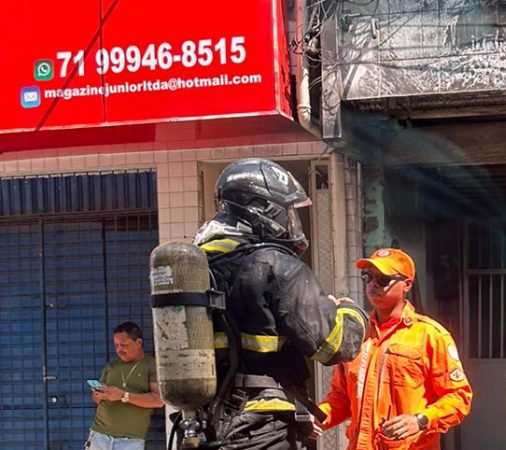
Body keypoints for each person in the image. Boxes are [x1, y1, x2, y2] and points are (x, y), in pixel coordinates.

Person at [192, 158, 368, 449]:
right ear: (263, 210)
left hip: (206, 427)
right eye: (286, 212)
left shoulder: (200, 266)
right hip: (262, 430)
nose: (290, 221)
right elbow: (334, 345)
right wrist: (351, 311)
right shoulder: (275, 265)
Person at [317, 248, 473, 449]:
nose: (373, 283)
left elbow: (459, 398)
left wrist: (420, 420)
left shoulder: (430, 335)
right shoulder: (357, 334)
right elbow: (341, 398)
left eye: (382, 279)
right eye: (368, 277)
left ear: (406, 284)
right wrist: (317, 416)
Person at [87, 321, 164, 450]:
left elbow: (159, 400)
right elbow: (96, 401)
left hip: (130, 441)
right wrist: (98, 395)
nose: (119, 350)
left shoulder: (151, 365)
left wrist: (124, 396)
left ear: (138, 342)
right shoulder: (110, 367)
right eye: (116, 345)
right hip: (99, 436)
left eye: (123, 345)